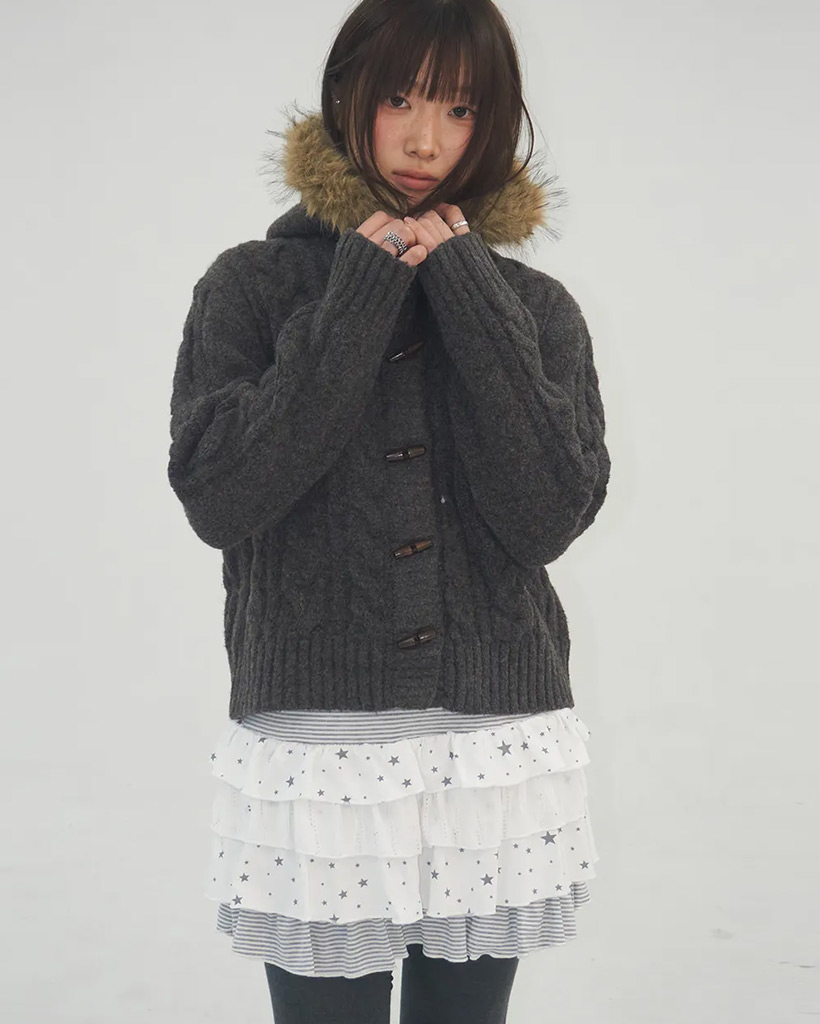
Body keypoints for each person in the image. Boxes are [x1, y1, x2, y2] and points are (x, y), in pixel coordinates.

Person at [166, 1, 611, 1020]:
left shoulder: (533, 308)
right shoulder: (249, 288)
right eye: (400, 99)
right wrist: (361, 295)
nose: (423, 140)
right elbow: (222, 496)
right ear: (345, 98)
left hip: (492, 755)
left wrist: (467, 288)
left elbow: (548, 515)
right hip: (319, 752)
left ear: (492, 123)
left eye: (459, 110)